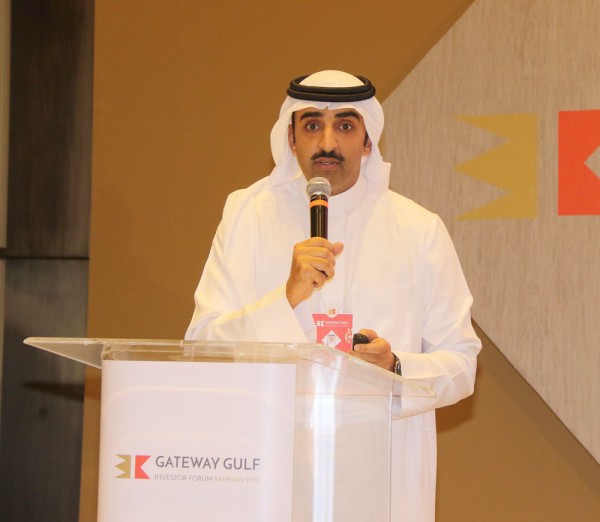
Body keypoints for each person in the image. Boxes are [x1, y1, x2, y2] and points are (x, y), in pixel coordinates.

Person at [185, 70, 481, 520]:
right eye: (311, 125)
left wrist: (395, 368)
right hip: (269, 474)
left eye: (344, 125)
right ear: (290, 138)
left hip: (380, 478)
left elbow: (461, 362)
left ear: (367, 140)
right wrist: (285, 298)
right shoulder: (247, 217)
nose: (327, 143)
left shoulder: (418, 229)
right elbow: (202, 347)